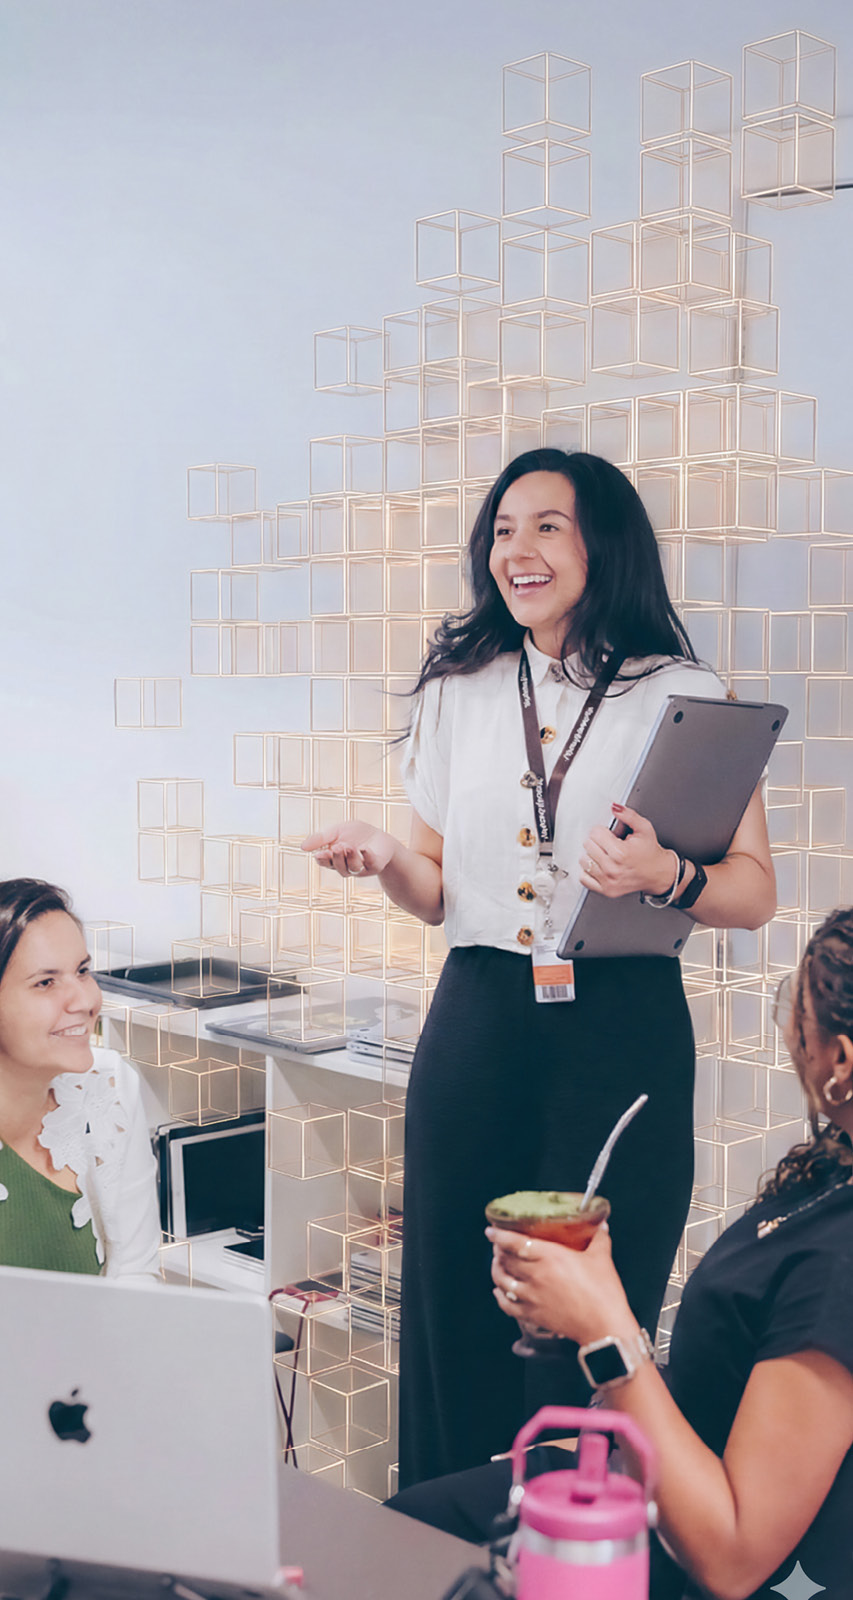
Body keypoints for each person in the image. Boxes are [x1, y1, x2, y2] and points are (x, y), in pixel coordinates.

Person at [303, 449, 776, 1488]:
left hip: (620, 1027)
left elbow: (752, 892)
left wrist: (665, 874)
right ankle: (443, 1536)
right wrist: (385, 858)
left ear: (603, 543)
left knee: (584, 1315)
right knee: (451, 1305)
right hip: (475, 1019)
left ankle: (568, 1536)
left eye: (546, 526)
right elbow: (436, 888)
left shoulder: (684, 694)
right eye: (502, 530)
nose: (516, 550)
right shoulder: (457, 688)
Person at [388, 906, 853, 1600]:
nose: (790, 1030)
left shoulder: (838, 1264)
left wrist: (604, 1328)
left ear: (839, 1061)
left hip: (676, 1550)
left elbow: (731, 1560)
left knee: (398, 1548)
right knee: (404, 1529)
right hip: (640, 1475)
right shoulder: (828, 1176)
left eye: (798, 1010)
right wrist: (599, 1412)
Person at [0, 878, 160, 1280]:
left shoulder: (107, 1087)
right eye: (46, 982)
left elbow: (136, 1275)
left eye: (83, 971)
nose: (87, 1001)